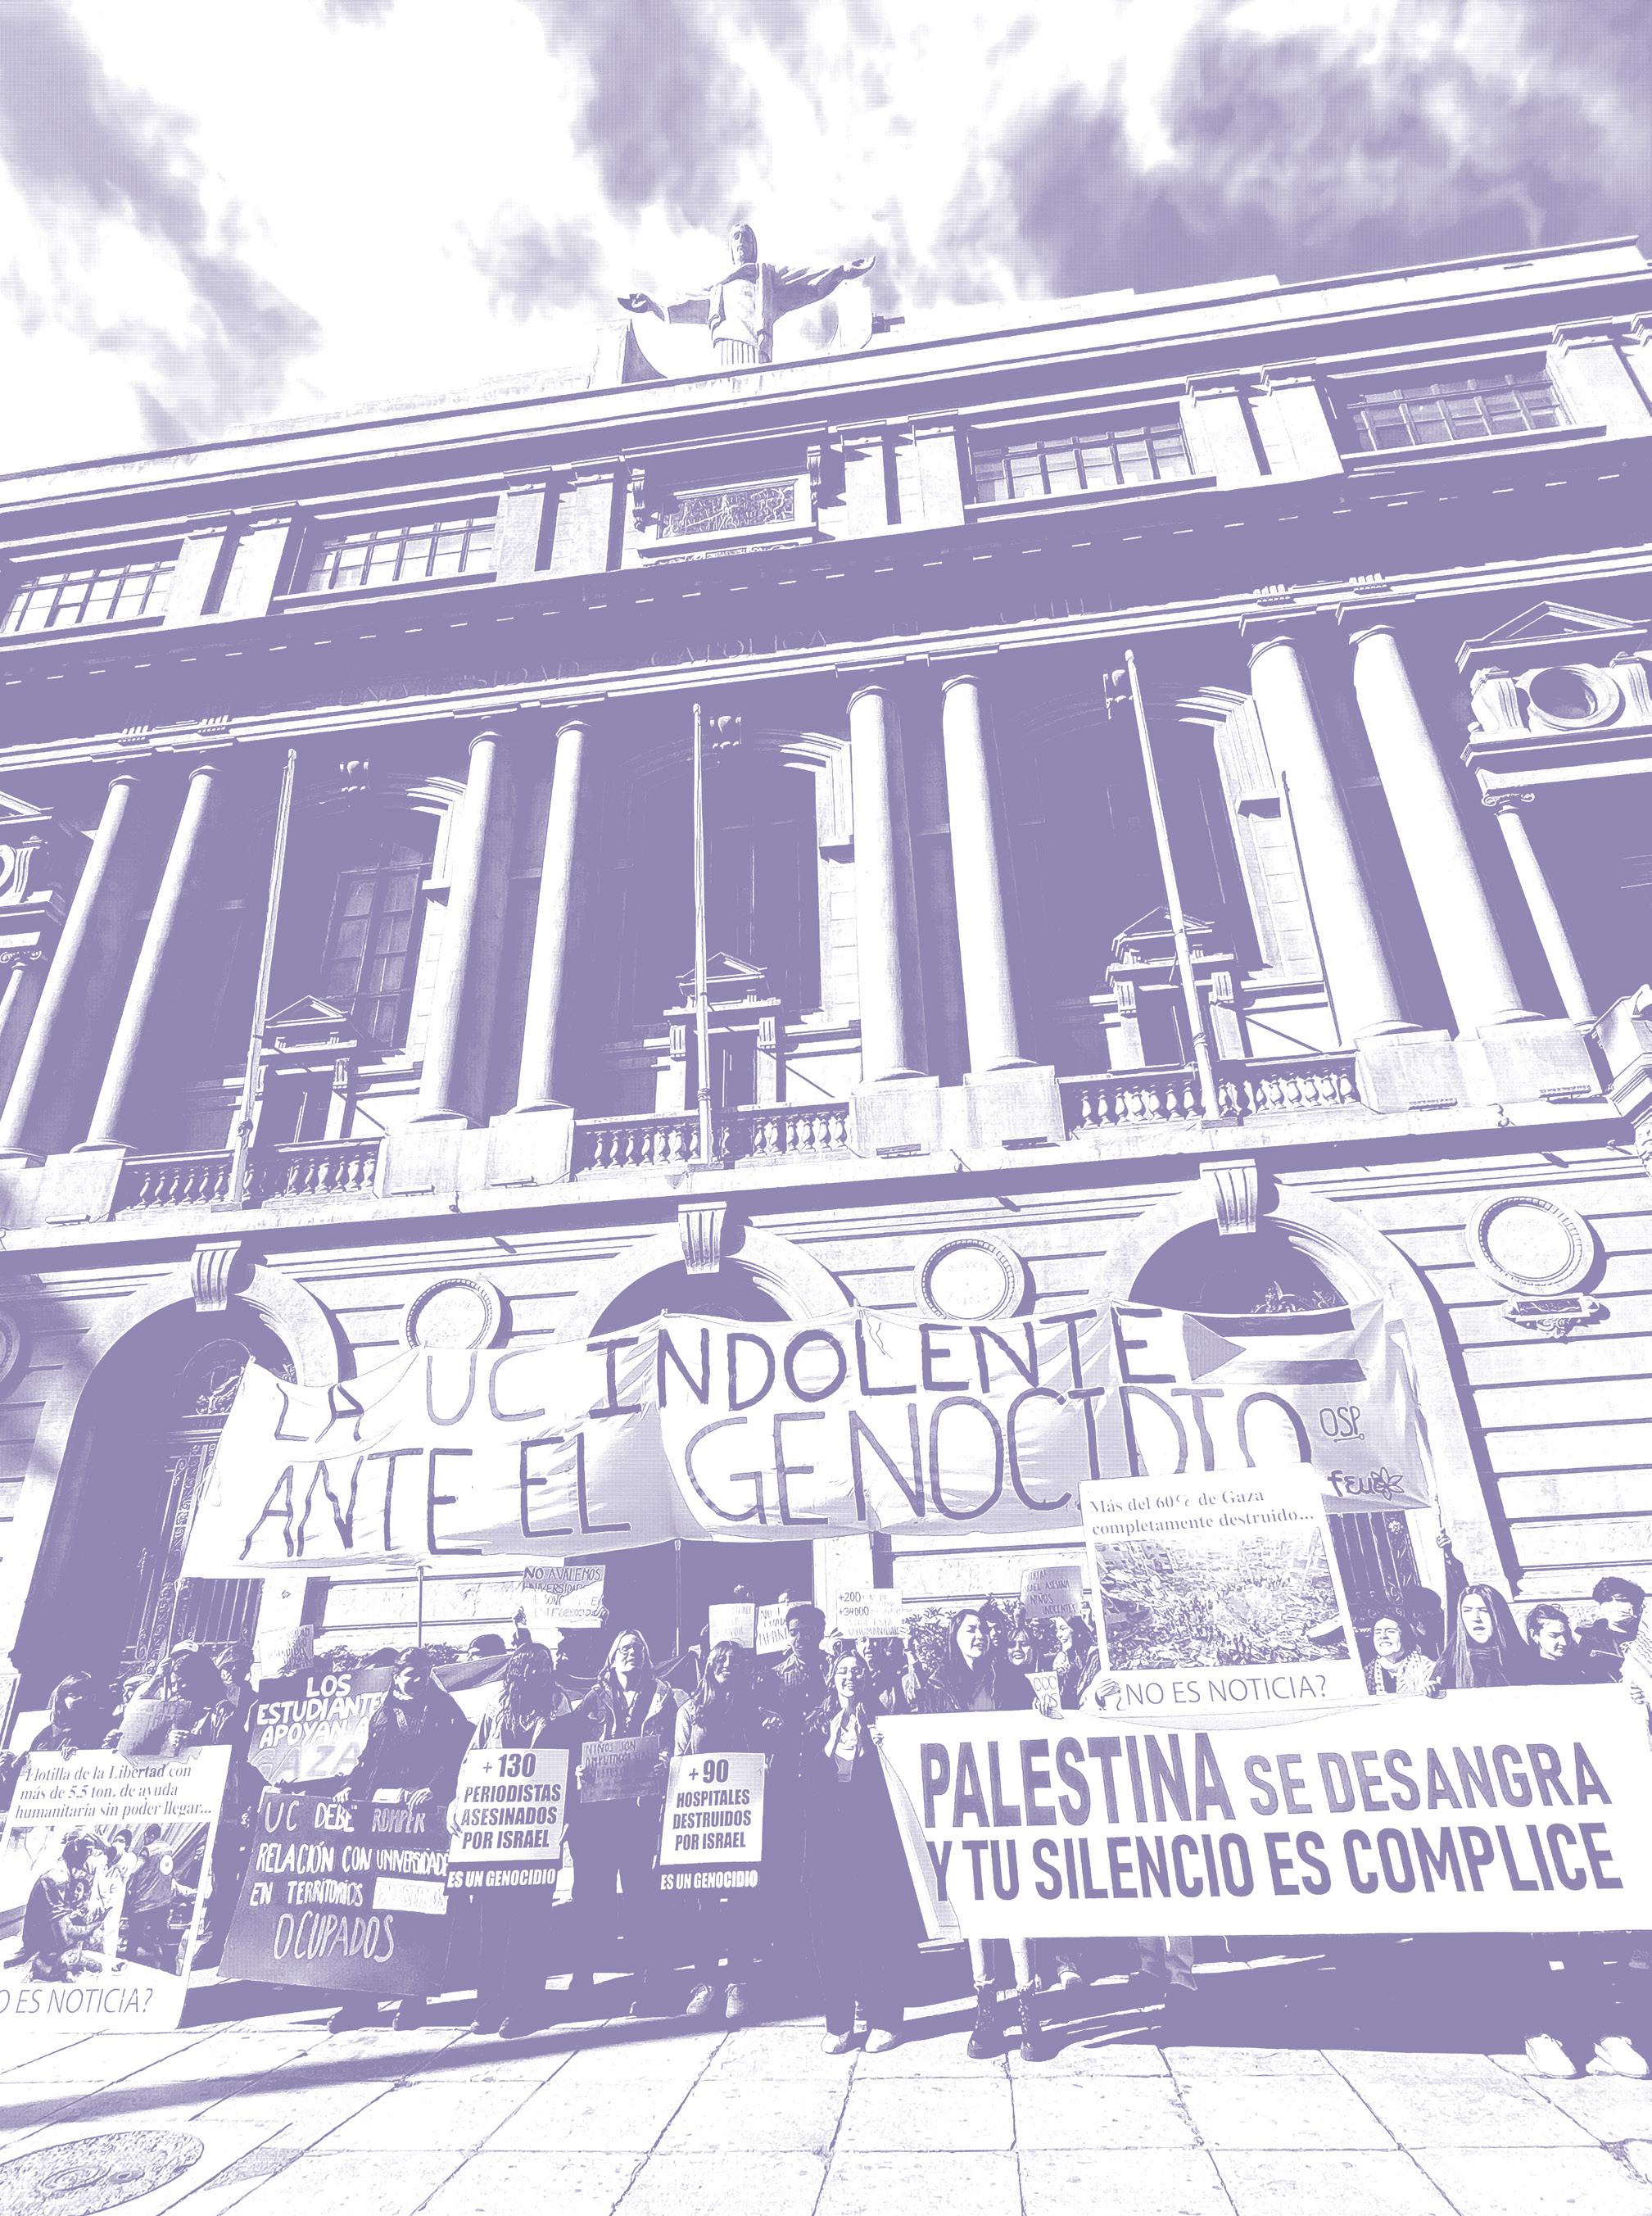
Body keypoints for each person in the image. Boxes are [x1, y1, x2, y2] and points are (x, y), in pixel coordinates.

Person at [909, 1607, 1048, 2059]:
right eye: (971, 1630)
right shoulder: (936, 1688)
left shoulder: (1012, 1681)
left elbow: (1036, 1729)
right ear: (955, 1636)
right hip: (964, 1814)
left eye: (986, 1631)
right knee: (977, 1916)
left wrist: (1044, 1713)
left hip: (1009, 1810)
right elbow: (920, 1741)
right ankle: (986, 2012)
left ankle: (1028, 2009)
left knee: (1017, 1910)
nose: (980, 1636)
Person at [327, 1647, 470, 2034]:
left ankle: (412, 1999)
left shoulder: (445, 1711)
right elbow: (369, 1761)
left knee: (415, 1909)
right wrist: (350, 1787)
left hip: (423, 1820)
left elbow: (460, 1757)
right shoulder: (383, 1713)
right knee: (368, 1911)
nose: (417, 1681)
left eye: (423, 1674)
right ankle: (359, 2002)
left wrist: (435, 1789)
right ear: (397, 1676)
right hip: (381, 1820)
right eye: (410, 1675)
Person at [802, 1650, 920, 2053]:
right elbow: (806, 1782)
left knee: (879, 1930)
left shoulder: (882, 1720)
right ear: (832, 1678)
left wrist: (884, 1746)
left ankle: (887, 2020)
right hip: (829, 1845)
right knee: (832, 1933)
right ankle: (839, 2024)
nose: (849, 1676)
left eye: (856, 1670)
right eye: (842, 1670)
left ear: (866, 1678)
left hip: (874, 1843)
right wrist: (829, 1743)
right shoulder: (816, 1723)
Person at [567, 1629, 679, 2017]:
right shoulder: (593, 1699)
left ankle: (647, 1978)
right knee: (590, 1896)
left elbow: (676, 1742)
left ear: (646, 1657)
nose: (631, 1654)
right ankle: (583, 1975)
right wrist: (578, 1770)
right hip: (596, 1817)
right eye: (624, 1649)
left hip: (641, 1812)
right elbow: (574, 1746)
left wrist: (666, 1762)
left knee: (641, 1896)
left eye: (638, 1649)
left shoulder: (666, 1698)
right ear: (612, 1658)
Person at [468, 1642, 573, 2038]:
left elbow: (571, 1762)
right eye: (532, 1665)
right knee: (493, 1919)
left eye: (545, 1665)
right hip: (496, 1830)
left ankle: (524, 2005)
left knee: (530, 1920)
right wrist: (462, 1802)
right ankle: (489, 2002)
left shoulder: (560, 1708)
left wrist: (569, 1815)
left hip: (539, 1828)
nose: (539, 1671)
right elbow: (473, 1758)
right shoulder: (496, 1708)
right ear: (518, 1669)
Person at [674, 1640, 776, 2024]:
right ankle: (705, 1982)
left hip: (744, 1820)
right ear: (709, 1665)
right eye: (721, 1659)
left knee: (742, 1903)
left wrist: (774, 1738)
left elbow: (770, 1760)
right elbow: (679, 1762)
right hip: (703, 1822)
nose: (728, 1665)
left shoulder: (757, 1709)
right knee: (702, 1905)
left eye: (735, 1660)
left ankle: (739, 1981)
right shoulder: (690, 1710)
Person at [1441, 1583, 1528, 1688]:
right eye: (1467, 1611)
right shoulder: (1452, 1658)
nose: (1475, 1618)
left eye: (1484, 1611)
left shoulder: (1524, 1658)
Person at [1578, 1578, 1645, 1681]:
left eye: (1622, 1600)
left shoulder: (1646, 1633)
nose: (1615, 1606)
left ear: (1637, 1605)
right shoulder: (1591, 1638)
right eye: (1608, 1600)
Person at [1365, 1608, 1442, 1696]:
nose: (1383, 1636)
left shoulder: (1426, 1667)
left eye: (1390, 1631)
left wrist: (1431, 1688)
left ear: (1404, 1636)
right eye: (1378, 1632)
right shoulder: (1366, 1673)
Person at [1525, 1604, 1591, 1684]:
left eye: (1566, 1635)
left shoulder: (1582, 1666)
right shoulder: (1530, 1674)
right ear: (1535, 1635)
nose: (1564, 1643)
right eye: (1554, 1636)